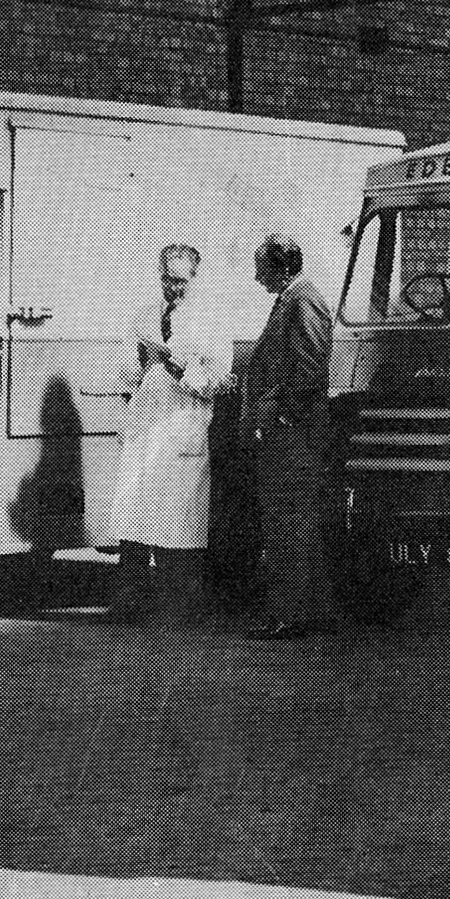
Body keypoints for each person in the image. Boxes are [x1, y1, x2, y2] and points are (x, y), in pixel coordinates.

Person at [107, 243, 233, 627]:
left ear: (195, 278)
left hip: (182, 428)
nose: (172, 288)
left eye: (179, 281)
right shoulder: (144, 317)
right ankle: (130, 598)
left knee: (176, 520)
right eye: (166, 279)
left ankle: (179, 606)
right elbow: (127, 373)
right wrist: (140, 368)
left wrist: (176, 366)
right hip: (146, 426)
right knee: (134, 516)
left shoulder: (211, 320)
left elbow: (216, 384)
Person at [242, 233, 334, 640]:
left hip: (293, 438)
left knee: (288, 522)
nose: (257, 276)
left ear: (282, 267)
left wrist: (282, 417)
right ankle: (301, 611)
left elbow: (310, 366)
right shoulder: (291, 300)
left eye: (261, 267)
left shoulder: (302, 301)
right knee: (288, 522)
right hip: (290, 435)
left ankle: (290, 614)